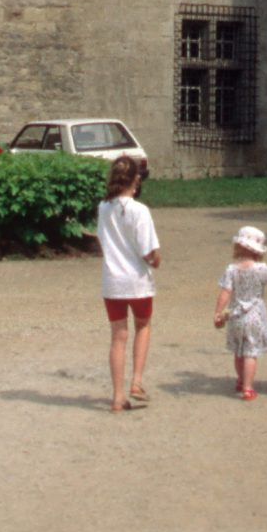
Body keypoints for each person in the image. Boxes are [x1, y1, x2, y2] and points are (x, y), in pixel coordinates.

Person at [96, 153, 161, 412]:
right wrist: (156, 260)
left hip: (113, 280)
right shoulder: (140, 210)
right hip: (137, 280)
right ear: (135, 180)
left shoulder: (103, 208)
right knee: (143, 325)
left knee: (117, 336)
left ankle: (117, 396)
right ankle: (136, 381)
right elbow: (148, 250)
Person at [213, 224, 267, 400]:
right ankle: (248, 387)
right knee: (250, 353)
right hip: (254, 316)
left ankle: (240, 379)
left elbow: (225, 292)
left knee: (239, 351)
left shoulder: (232, 269)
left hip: (236, 315)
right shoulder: (261, 269)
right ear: (258, 251)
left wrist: (218, 312)